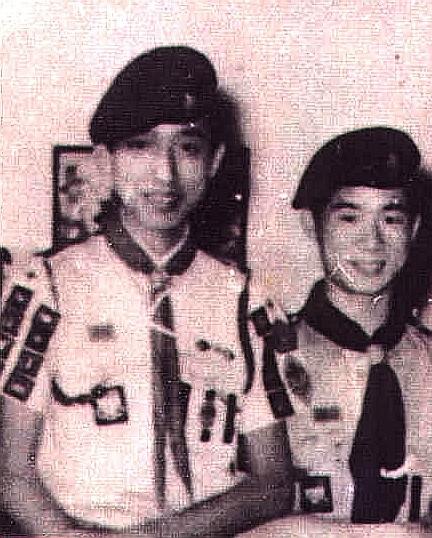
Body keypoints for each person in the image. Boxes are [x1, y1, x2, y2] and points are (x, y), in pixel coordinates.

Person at [0, 46, 291, 537]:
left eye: (188, 148)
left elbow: (273, 482)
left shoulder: (245, 302)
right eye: (141, 147)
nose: (166, 174)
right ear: (104, 163)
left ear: (215, 162)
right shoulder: (47, 286)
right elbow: (12, 475)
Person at [250, 127, 432, 537]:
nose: (372, 241)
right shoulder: (263, 357)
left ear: (413, 230)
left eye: (391, 219)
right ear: (311, 225)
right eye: (349, 217)